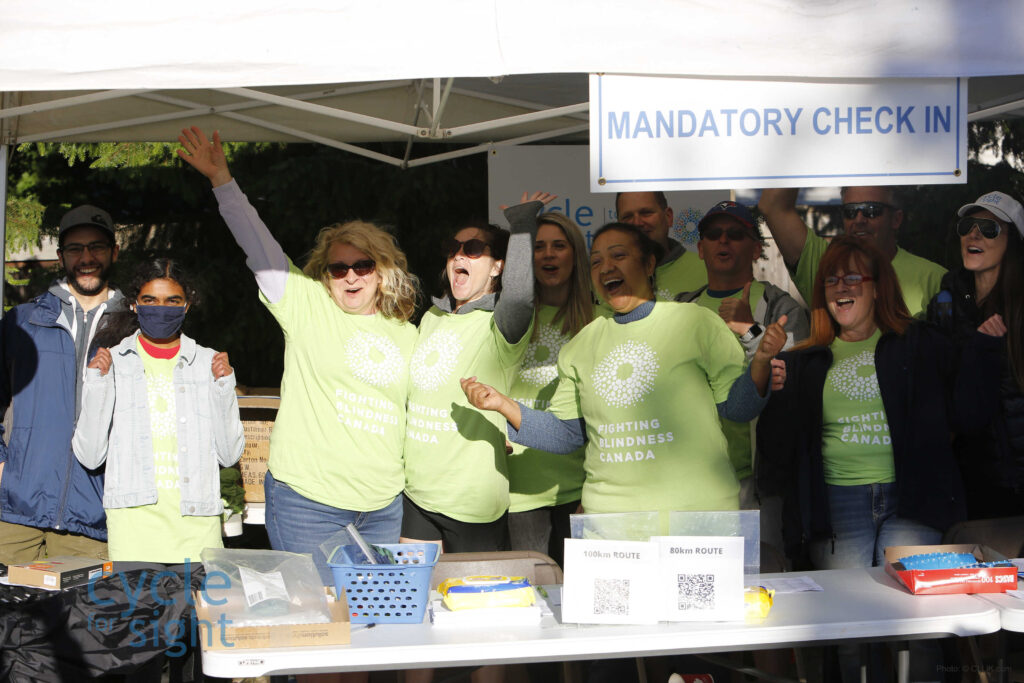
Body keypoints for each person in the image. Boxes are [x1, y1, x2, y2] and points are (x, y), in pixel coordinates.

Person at [177, 126, 420, 584]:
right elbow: (257, 244)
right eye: (339, 267)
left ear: (383, 270)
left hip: (385, 505)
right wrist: (222, 181)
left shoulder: (409, 335)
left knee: (378, 624)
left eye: (363, 265)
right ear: (325, 275)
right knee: (320, 621)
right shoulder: (306, 305)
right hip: (308, 503)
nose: (351, 276)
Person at [756, 236, 1001, 681]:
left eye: (852, 277)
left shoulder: (921, 344)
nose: (839, 287)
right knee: (852, 636)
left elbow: (969, 415)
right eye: (830, 280)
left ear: (877, 288)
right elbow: (778, 452)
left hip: (911, 501)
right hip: (838, 507)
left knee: (919, 627)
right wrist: (772, 393)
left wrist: (985, 351)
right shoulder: (804, 361)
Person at [461, 221, 786, 521]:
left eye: (618, 256)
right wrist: (501, 404)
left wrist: (760, 362)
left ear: (648, 264)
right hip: (611, 519)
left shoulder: (695, 322)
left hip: (697, 515)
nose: (607, 268)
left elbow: (739, 408)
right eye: (597, 262)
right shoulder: (581, 344)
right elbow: (567, 433)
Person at [401, 192, 553, 553]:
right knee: (415, 603)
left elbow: (518, 297)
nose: (458, 255)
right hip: (417, 494)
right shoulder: (431, 317)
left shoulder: (501, 323)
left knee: (471, 607)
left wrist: (522, 226)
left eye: (473, 249)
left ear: (498, 267)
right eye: (453, 248)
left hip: (472, 502)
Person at [72, 259, 244, 562]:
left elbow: (229, 455)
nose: (160, 308)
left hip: (197, 528)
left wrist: (223, 388)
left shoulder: (209, 364)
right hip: (133, 530)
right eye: (150, 300)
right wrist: (97, 384)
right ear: (134, 305)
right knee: (137, 611)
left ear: (186, 306)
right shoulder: (113, 362)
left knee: (196, 611)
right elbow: (89, 455)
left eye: (171, 301)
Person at [0, 204, 128, 565]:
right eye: (75, 248)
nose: (86, 258)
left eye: (97, 247)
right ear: (60, 256)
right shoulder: (22, 322)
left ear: (114, 252)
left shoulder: (133, 328)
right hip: (14, 514)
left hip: (91, 517)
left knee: (77, 620)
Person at [676, 200, 809, 510]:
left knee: (765, 561)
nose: (723, 240)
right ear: (701, 248)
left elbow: (793, 383)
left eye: (736, 234)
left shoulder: (781, 308)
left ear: (754, 249)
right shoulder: (681, 310)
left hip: (759, 480)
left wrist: (750, 329)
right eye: (713, 234)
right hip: (692, 476)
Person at [927, 191, 1024, 518]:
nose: (974, 234)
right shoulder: (945, 301)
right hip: (963, 482)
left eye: (990, 228)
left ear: (1013, 241)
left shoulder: (1020, 307)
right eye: (968, 225)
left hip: (1014, 482)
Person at [506, 212, 592, 567]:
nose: (548, 255)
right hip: (520, 488)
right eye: (538, 248)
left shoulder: (597, 321)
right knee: (530, 596)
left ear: (576, 255)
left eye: (559, 246)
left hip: (579, 486)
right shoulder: (512, 319)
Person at [758, 186, 946, 316]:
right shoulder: (825, 265)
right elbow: (773, 207)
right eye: (850, 211)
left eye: (871, 210)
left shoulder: (934, 278)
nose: (859, 219)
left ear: (896, 219)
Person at [613, 191, 707, 301]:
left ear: (668, 217)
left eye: (646, 213)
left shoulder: (706, 270)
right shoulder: (606, 276)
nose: (637, 222)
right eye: (627, 217)